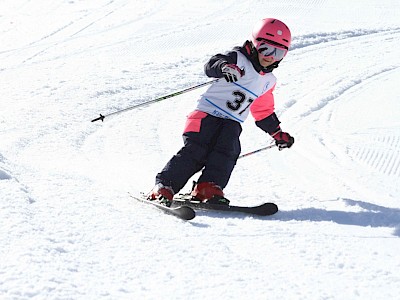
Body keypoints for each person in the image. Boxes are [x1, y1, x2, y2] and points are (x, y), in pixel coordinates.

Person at [147, 18, 295, 206]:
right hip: (206, 116)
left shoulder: (268, 81)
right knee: (195, 153)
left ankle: (207, 186)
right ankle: (164, 186)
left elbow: (263, 110)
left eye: (279, 52)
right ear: (255, 43)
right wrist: (225, 68)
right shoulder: (238, 58)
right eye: (266, 49)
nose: (271, 56)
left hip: (232, 123)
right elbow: (212, 64)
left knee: (228, 152)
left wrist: (277, 133)